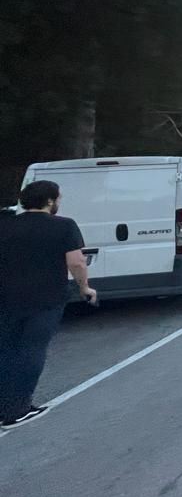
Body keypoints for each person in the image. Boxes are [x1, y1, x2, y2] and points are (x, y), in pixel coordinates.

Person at [0, 180, 96, 429]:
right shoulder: (64, 225)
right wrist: (85, 287)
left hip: (6, 297)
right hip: (46, 297)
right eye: (58, 198)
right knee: (32, 349)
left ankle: (3, 406)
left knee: (7, 350)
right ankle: (17, 409)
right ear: (50, 201)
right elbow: (76, 262)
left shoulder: (6, 224)